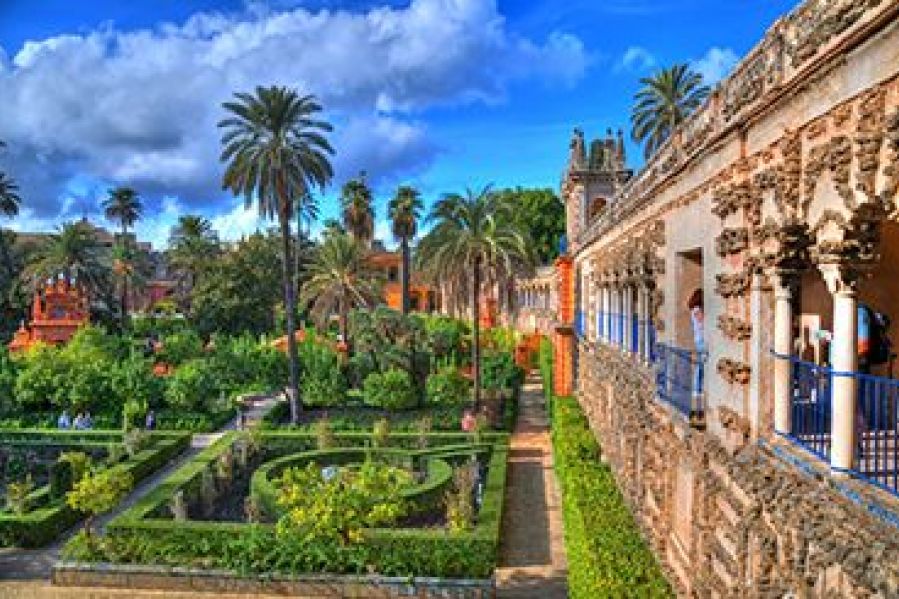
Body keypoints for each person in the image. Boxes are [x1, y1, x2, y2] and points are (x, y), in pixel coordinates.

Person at [687, 289, 705, 412]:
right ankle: (697, 391)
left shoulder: (694, 310)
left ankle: (697, 390)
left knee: (701, 365)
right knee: (701, 365)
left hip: (699, 340)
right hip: (701, 341)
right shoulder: (697, 310)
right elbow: (702, 321)